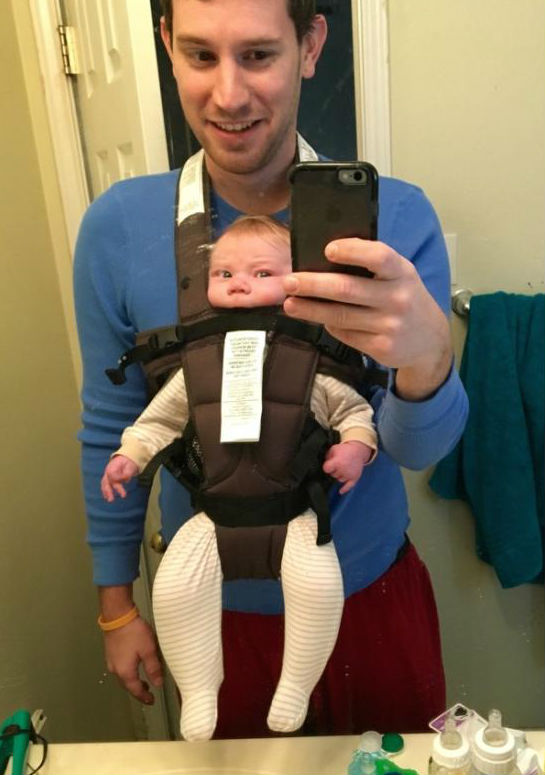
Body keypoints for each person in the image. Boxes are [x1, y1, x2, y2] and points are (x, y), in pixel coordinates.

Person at [73, 0, 468, 736]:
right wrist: (115, 605)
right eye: (200, 55)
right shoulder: (117, 229)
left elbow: (418, 451)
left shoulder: (397, 220)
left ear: (309, 46)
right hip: (210, 621)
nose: (228, 95)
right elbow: (110, 428)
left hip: (369, 601)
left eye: (257, 54)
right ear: (166, 45)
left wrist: (429, 360)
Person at [100, 215, 377, 741]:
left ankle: (296, 685)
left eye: (261, 272)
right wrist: (128, 456)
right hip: (212, 517)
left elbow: (355, 412)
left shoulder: (309, 360)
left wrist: (355, 450)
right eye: (223, 273)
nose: (239, 283)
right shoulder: (197, 365)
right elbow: (156, 421)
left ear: (296, 280)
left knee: (319, 588)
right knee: (174, 591)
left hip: (294, 515)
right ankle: (199, 690)